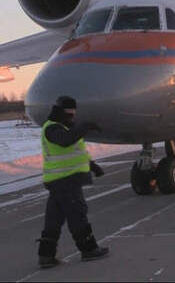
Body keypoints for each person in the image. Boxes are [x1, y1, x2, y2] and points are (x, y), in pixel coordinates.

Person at [37, 96, 109, 268]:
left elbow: (75, 150)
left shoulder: (62, 126)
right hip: (65, 181)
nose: (72, 116)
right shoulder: (52, 128)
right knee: (77, 214)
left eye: (73, 113)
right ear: (61, 111)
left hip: (60, 181)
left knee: (54, 219)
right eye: (69, 113)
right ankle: (89, 250)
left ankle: (46, 256)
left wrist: (92, 166)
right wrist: (84, 126)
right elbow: (65, 141)